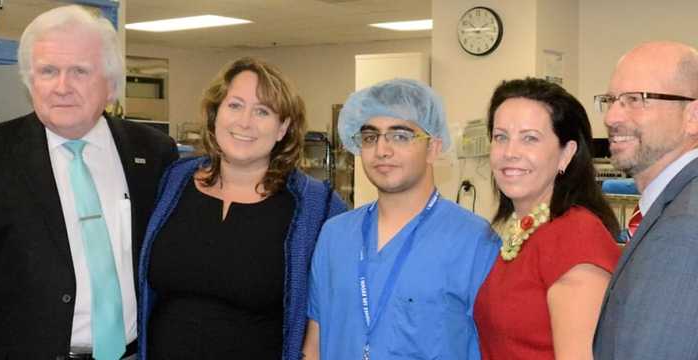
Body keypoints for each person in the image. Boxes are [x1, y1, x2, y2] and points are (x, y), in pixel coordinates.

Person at [0, 5, 178, 360]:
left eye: (79, 72)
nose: (61, 87)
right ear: (29, 81)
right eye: (48, 71)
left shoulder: (154, 154)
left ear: (112, 85)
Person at [137, 57, 346, 360]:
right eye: (234, 105)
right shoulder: (173, 181)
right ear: (215, 115)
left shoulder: (318, 208)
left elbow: (335, 307)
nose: (245, 122)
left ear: (282, 128)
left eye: (262, 111)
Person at [302, 78, 499, 360]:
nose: (382, 150)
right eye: (370, 137)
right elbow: (314, 345)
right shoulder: (335, 236)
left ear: (433, 147)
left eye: (400, 136)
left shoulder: (474, 241)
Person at [474, 78, 621, 359]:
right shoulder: (527, 231)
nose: (509, 152)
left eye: (530, 138)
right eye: (500, 136)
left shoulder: (575, 237)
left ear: (566, 153)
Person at [593, 41, 698, 359]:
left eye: (636, 100)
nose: (612, 117)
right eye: (611, 100)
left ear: (693, 116)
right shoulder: (672, 207)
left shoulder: (685, 228)